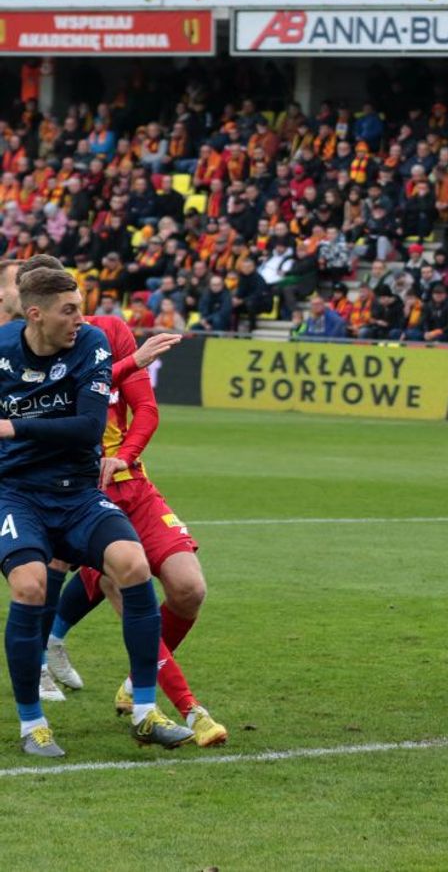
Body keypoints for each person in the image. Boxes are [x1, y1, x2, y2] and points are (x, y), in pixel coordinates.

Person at [0, 258, 229, 749]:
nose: (80, 317)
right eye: (69, 309)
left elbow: (90, 422)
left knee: (135, 565)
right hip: (18, 492)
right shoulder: (4, 346)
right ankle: (32, 720)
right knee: (30, 584)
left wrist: (13, 426)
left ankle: (143, 709)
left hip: (84, 490)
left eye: (80, 306)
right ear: (34, 311)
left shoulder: (94, 340)